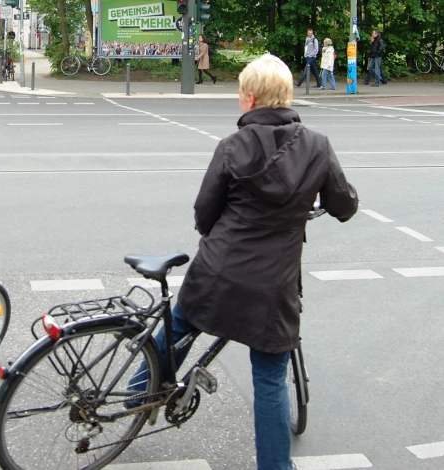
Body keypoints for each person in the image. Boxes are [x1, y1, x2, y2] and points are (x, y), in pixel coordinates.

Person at [128, 54, 358, 470]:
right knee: (270, 381)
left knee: (180, 326)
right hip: (273, 288)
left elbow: (204, 214)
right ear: (285, 95)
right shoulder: (317, 146)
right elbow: (344, 204)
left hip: (219, 271)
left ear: (250, 99)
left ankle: (135, 395)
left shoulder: (232, 146)